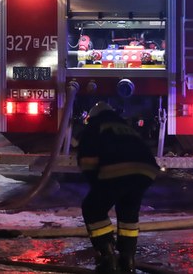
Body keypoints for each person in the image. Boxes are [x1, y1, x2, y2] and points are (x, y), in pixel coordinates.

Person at [77, 102, 159, 274]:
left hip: (117, 169)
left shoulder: (95, 126)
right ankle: (128, 258)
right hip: (146, 171)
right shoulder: (124, 126)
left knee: (93, 209)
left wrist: (97, 186)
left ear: (92, 117)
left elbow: (87, 161)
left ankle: (108, 256)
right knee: (128, 212)